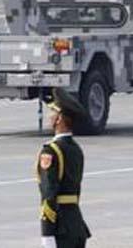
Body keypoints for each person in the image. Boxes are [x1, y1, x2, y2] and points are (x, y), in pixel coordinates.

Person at [37, 89, 91, 248]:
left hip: (60, 228)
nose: (49, 116)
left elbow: (49, 193)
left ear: (59, 119)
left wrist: (47, 233)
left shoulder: (51, 151)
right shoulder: (76, 149)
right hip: (76, 224)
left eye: (52, 112)